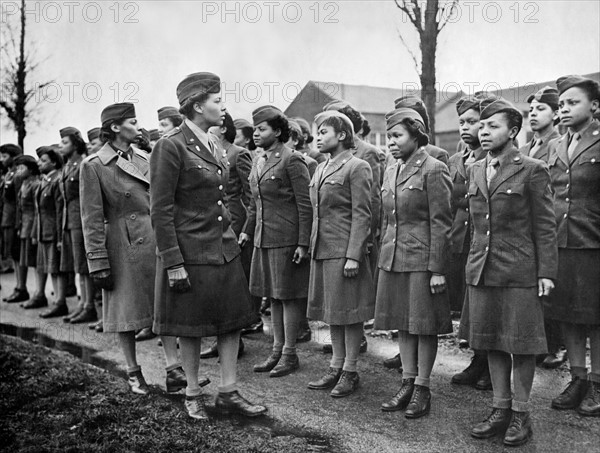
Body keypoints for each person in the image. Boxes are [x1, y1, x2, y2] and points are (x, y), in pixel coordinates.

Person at [150, 72, 266, 419]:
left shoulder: (215, 143)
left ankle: (228, 392)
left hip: (223, 247)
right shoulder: (169, 146)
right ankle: (193, 392)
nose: (223, 105)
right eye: (217, 100)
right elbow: (160, 209)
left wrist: (230, 229)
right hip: (190, 251)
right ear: (198, 105)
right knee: (191, 325)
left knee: (231, 321)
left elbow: (224, 197)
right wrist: (173, 261)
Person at [464, 97, 557, 446]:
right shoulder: (475, 168)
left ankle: (521, 414)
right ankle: (500, 409)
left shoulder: (533, 168)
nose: (484, 132)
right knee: (491, 342)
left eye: (493, 126)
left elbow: (545, 226)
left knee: (521, 344)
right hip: (483, 270)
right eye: (481, 126)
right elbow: (476, 226)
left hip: (519, 269)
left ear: (513, 131)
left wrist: (546, 272)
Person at [80, 102, 185, 396]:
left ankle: (174, 370)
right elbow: (91, 218)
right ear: (115, 127)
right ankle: (132, 371)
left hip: (153, 238)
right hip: (121, 244)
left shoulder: (143, 157)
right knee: (124, 311)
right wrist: (97, 261)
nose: (139, 127)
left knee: (162, 302)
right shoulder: (94, 166)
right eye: (133, 122)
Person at [375, 108, 452, 419]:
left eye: (397, 136)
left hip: (422, 259)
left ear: (416, 135)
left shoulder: (433, 169)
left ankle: (422, 386)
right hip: (394, 257)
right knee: (403, 323)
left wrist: (438, 269)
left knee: (423, 325)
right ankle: (407, 381)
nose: (391, 142)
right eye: (389, 136)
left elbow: (442, 224)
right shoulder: (391, 170)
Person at [238, 105, 312, 378]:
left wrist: (303, 243)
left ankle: (290, 353)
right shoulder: (259, 160)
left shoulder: (292, 160)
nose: (256, 134)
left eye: (262, 129)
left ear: (278, 132)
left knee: (288, 297)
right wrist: (247, 230)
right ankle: (277, 349)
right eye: (255, 129)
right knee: (273, 295)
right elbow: (254, 204)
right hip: (263, 238)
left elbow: (305, 205)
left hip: (286, 239)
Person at [306, 110, 373, 398]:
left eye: (323, 132)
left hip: (344, 250)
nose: (317, 137)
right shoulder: (321, 168)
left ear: (342, 135)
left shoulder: (357, 167)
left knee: (348, 313)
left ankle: (351, 370)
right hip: (322, 249)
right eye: (317, 132)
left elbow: (362, 215)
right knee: (333, 313)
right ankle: (336, 366)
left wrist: (354, 255)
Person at [545, 75, 600, 417]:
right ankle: (578, 378)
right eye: (561, 104)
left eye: (572, 102)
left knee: (596, 317)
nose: (564, 109)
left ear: (594, 106)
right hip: (561, 242)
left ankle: (597, 381)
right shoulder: (555, 145)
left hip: (594, 242)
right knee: (568, 314)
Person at [518, 86, 566, 369]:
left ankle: (556, 344)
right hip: (528, 226)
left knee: (552, 285)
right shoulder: (525, 149)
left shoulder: (558, 145)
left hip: (554, 222)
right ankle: (540, 341)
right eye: (531, 110)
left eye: (541, 109)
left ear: (556, 114)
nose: (533, 114)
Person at [450, 95, 492, 391]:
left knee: (487, 302)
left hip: (484, 239)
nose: (465, 127)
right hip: (460, 239)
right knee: (470, 303)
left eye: (472, 122)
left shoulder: (491, 159)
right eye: (462, 122)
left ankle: (490, 365)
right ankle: (478, 359)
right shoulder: (456, 160)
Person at [58, 127, 96, 324]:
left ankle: (89, 306)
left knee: (84, 264)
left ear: (75, 144)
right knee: (78, 265)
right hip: (71, 221)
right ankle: (83, 305)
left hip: (82, 220)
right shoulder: (69, 165)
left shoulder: (82, 164)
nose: (61, 146)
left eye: (65, 142)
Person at [34, 148, 68, 318]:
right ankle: (57, 302)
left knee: (57, 269)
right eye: (39, 160)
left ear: (54, 162)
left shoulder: (56, 180)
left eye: (44, 160)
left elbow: (59, 210)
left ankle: (60, 302)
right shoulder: (45, 180)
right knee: (51, 267)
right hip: (44, 231)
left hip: (53, 232)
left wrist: (60, 237)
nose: (40, 163)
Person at [1, 144, 28, 303]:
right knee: (13, 253)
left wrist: (18, 222)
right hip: (7, 218)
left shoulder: (17, 175)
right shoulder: (9, 174)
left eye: (5, 156)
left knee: (18, 253)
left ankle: (22, 287)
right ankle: (18, 287)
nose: (2, 159)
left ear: (13, 156)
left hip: (14, 219)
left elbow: (19, 200)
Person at [14, 156, 41, 309]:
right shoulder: (25, 183)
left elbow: (37, 210)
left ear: (31, 170)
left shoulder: (35, 184)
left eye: (22, 168)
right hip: (24, 226)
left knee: (37, 262)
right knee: (27, 260)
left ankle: (39, 293)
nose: (19, 171)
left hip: (32, 227)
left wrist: (35, 231)